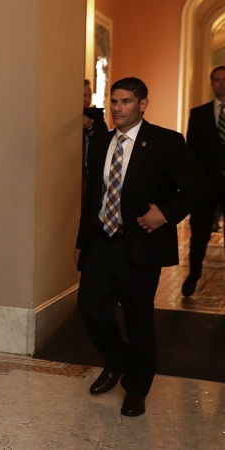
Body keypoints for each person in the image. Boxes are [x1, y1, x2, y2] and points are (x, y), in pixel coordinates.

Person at [74, 77, 204, 417]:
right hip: (102, 240)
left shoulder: (165, 142)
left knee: (138, 319)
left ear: (142, 104)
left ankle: (137, 387)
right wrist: (80, 242)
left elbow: (196, 187)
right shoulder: (101, 142)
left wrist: (165, 213)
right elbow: (91, 198)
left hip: (140, 243)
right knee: (90, 307)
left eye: (126, 102)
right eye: (114, 101)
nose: (118, 108)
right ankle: (117, 361)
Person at [182, 66, 225, 296]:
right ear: (212, 83)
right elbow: (191, 151)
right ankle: (193, 274)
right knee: (199, 233)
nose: (221, 84)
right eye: (217, 80)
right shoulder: (198, 114)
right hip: (206, 187)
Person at [83, 79, 108, 178]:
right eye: (83, 95)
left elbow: (103, 141)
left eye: (89, 96)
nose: (87, 100)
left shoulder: (97, 117)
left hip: (92, 171)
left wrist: (90, 128)